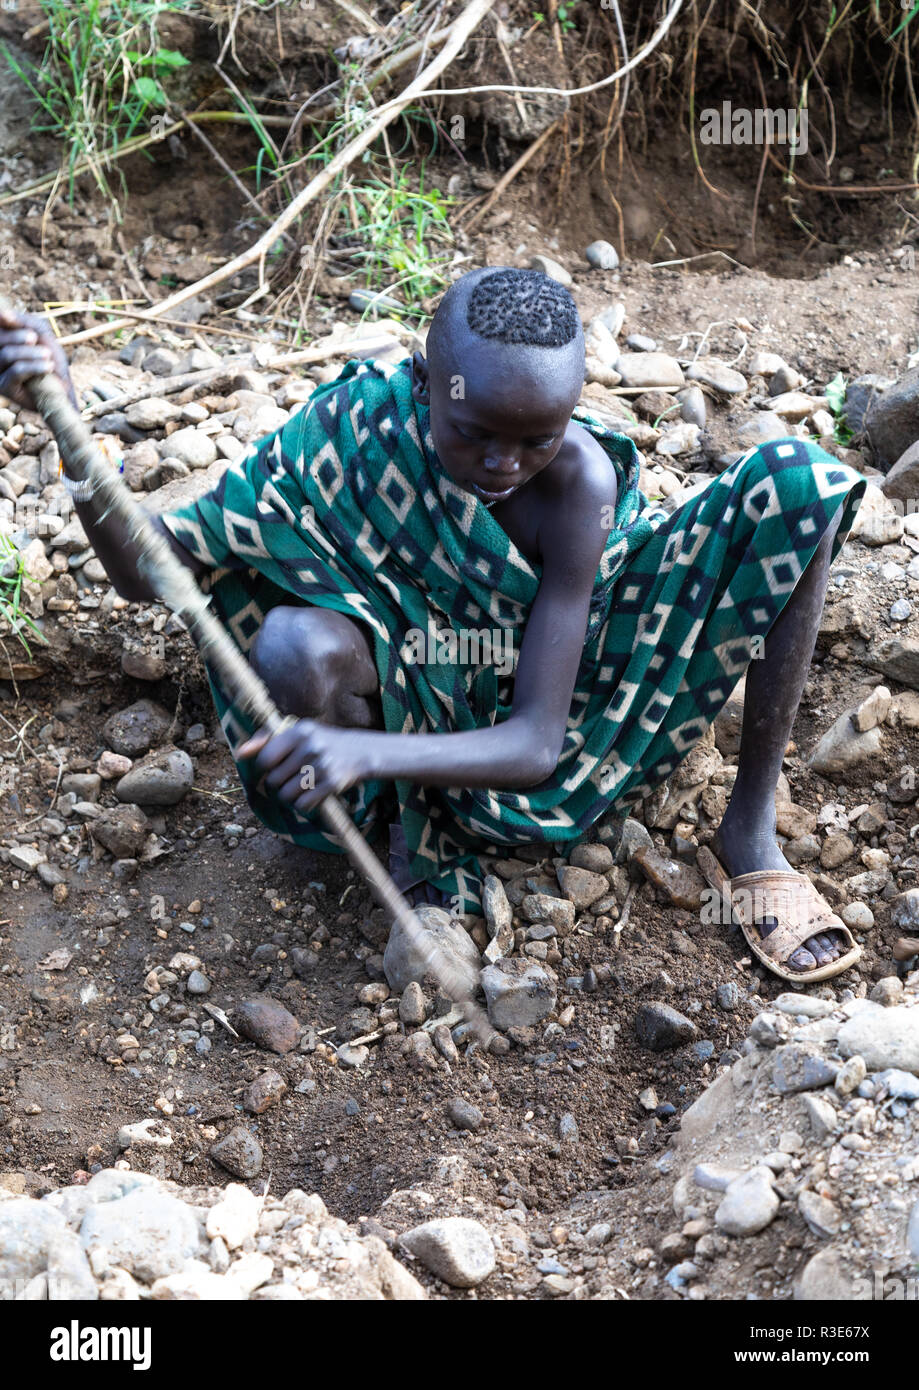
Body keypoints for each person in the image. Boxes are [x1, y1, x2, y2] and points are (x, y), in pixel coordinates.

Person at [0, 267, 867, 978]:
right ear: (423, 387)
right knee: (294, 643)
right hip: (411, 667)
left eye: (536, 439)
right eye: (475, 434)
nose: (504, 465)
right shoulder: (352, 429)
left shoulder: (576, 489)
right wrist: (68, 424)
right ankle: (401, 837)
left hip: (574, 693)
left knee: (797, 480)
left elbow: (535, 745)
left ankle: (749, 827)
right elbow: (147, 573)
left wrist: (359, 748)